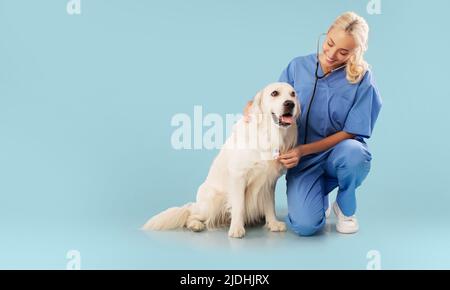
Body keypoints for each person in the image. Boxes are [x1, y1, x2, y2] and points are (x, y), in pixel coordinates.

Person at [243, 11, 382, 236]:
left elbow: (352, 131)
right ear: (326, 34)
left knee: (355, 155)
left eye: (343, 52)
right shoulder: (298, 66)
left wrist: (302, 150)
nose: (332, 54)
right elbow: (273, 97)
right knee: (305, 227)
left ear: (355, 52)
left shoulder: (363, 79)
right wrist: (250, 106)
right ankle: (318, 196)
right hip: (303, 162)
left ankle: (345, 207)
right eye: (330, 44)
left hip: (339, 152)